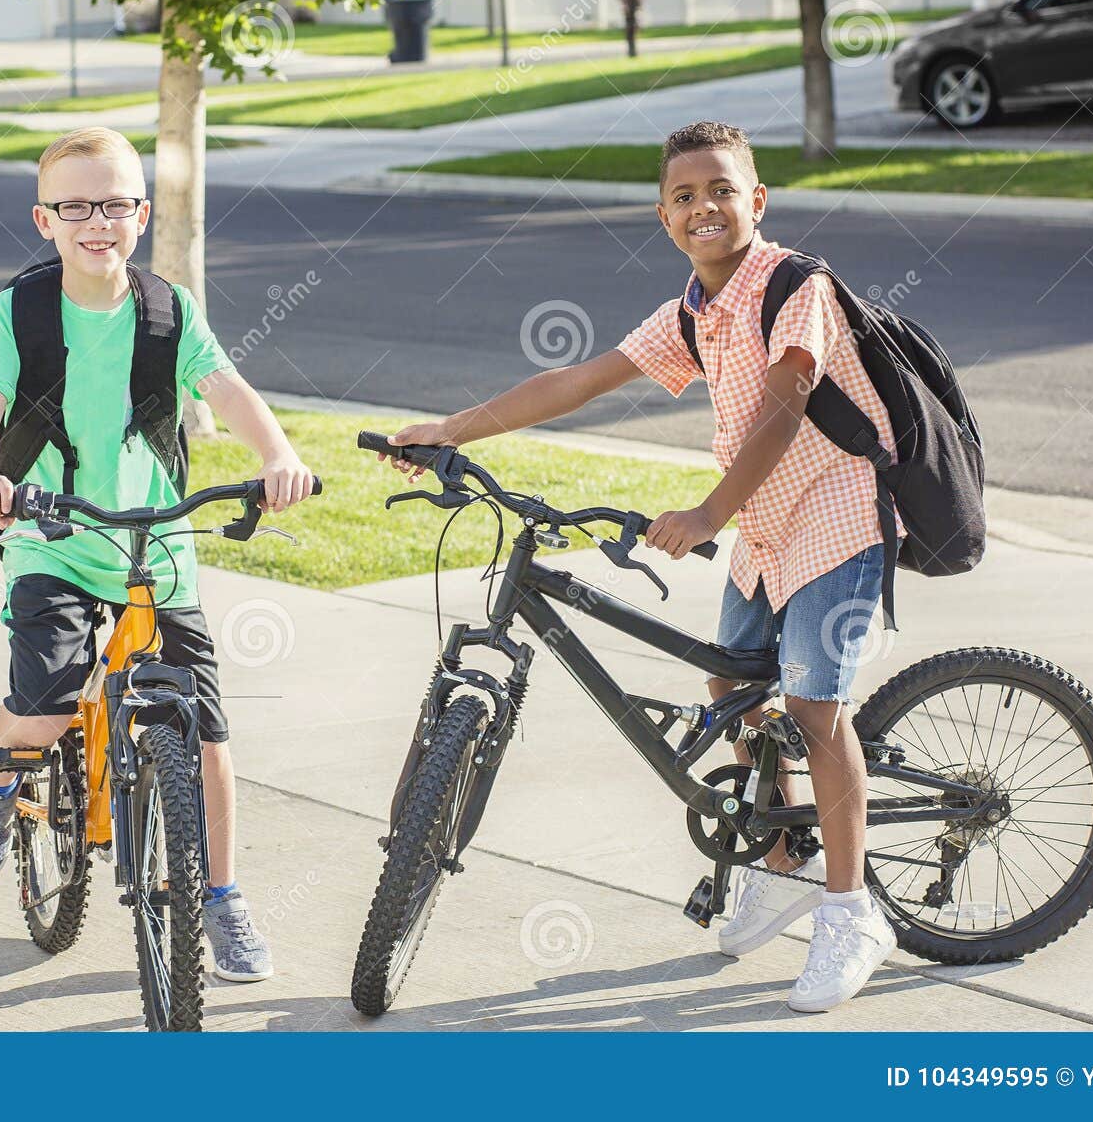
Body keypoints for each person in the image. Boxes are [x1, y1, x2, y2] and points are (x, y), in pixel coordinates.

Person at [382, 120, 900, 1012]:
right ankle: (784, 863)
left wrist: (707, 512)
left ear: (758, 200)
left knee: (815, 706)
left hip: (837, 511)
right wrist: (450, 428)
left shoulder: (793, 284)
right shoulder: (693, 315)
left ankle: (853, 915)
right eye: (686, 196)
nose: (705, 207)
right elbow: (579, 379)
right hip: (769, 525)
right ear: (664, 217)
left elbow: (785, 407)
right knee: (729, 684)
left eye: (722, 190)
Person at [0, 126, 315, 983]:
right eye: (75, 206)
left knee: (208, 732)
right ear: (45, 220)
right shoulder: (20, 310)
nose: (96, 221)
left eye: (114, 203)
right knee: (42, 707)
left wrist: (278, 456)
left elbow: (227, 389)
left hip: (158, 546)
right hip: (55, 537)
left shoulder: (168, 310)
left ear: (142, 214)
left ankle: (222, 896)